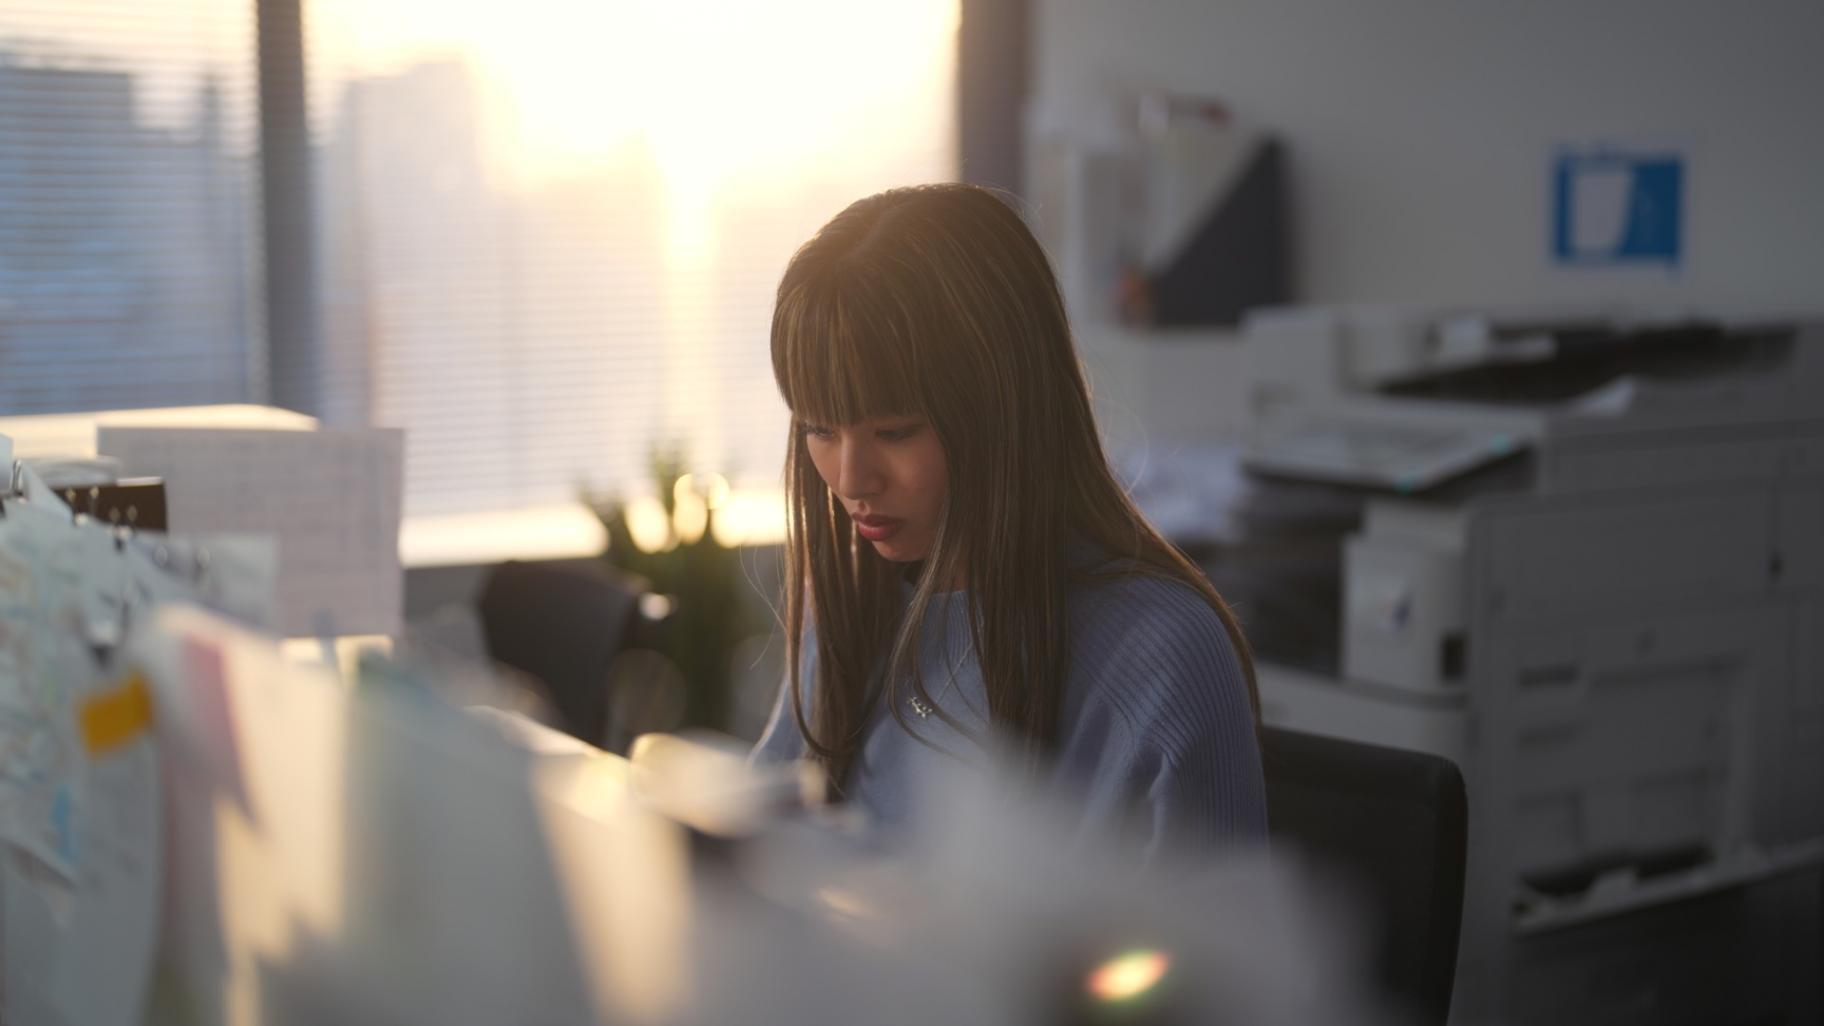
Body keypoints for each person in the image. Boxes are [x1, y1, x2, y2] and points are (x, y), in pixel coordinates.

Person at [752, 183, 1265, 858]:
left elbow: (1204, 959)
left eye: (897, 431)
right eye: (819, 429)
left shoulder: (1165, 655)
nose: (851, 481)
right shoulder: (853, 610)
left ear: (1005, 409)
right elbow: (760, 852)